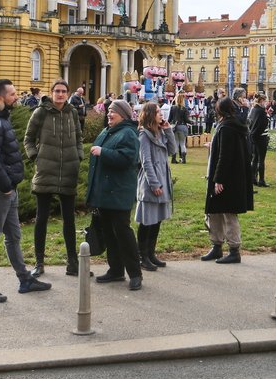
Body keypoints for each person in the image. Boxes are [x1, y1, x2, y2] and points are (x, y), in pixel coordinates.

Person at [0, 78, 51, 303]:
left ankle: (25, 279)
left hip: (5, 189)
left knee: (13, 236)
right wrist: (6, 187)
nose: (17, 97)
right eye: (12, 94)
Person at [23, 79, 83, 279]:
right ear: (51, 93)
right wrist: (35, 156)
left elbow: (79, 138)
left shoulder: (72, 112)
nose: (60, 94)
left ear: (67, 93)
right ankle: (39, 262)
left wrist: (79, 155)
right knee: (41, 219)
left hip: (68, 171)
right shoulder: (40, 112)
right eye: (57, 91)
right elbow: (28, 138)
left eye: (63, 91)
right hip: (46, 171)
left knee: (69, 220)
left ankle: (72, 262)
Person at [86, 99, 143, 290]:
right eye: (108, 110)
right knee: (109, 233)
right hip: (104, 193)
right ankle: (116, 270)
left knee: (123, 233)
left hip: (118, 193)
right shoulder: (108, 131)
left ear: (123, 114)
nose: (109, 114)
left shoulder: (128, 133)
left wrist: (104, 152)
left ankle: (135, 274)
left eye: (113, 111)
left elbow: (128, 159)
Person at [201, 97, 252, 264]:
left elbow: (226, 155)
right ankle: (216, 246)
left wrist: (219, 179)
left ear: (219, 110)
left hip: (227, 178)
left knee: (229, 213)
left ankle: (234, 250)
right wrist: (213, 145)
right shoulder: (232, 125)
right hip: (227, 176)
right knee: (215, 211)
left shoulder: (228, 127)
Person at [136, 101, 175, 272]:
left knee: (157, 220)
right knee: (147, 221)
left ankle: (150, 254)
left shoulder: (160, 132)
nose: (161, 114)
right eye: (158, 112)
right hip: (151, 182)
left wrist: (168, 129)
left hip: (162, 180)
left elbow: (173, 150)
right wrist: (154, 183)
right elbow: (146, 162)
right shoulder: (144, 135)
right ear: (151, 115)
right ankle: (141, 256)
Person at [247, 92, 270, 187]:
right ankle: (261, 180)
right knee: (261, 159)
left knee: (255, 158)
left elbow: (250, 122)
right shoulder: (261, 111)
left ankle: (253, 178)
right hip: (261, 137)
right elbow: (263, 124)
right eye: (265, 101)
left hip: (253, 136)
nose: (266, 102)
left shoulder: (253, 109)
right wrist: (268, 117)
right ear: (261, 101)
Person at [168, 92, 190, 164]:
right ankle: (183, 159)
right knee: (182, 143)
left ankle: (173, 159)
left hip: (175, 127)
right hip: (183, 126)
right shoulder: (185, 109)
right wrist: (191, 122)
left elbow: (169, 119)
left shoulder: (173, 108)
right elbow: (186, 120)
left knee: (176, 143)